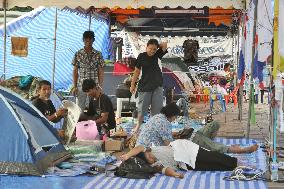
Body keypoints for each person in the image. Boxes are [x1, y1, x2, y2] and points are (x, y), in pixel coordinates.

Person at [136, 102, 258, 154]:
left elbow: (163, 135)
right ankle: (237, 150)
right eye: (175, 117)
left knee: (214, 124)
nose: (175, 119)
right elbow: (169, 145)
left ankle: (209, 143)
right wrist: (183, 140)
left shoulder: (160, 118)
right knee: (199, 138)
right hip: (157, 149)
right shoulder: (163, 122)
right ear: (172, 115)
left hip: (155, 145)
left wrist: (178, 134)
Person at [121, 139, 239, 178]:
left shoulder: (149, 149)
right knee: (213, 167)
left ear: (145, 153)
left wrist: (127, 155)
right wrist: (175, 175)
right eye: (149, 161)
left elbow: (138, 147)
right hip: (183, 164)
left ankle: (237, 162)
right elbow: (165, 170)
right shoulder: (154, 165)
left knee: (213, 157)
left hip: (184, 149)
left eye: (148, 158)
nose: (151, 160)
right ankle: (234, 167)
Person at [130, 39, 168, 133]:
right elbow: (137, 71)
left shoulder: (158, 55)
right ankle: (138, 125)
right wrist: (132, 84)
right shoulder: (141, 56)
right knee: (142, 109)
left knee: (156, 110)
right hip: (144, 86)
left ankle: (154, 127)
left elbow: (165, 44)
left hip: (157, 87)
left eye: (154, 49)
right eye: (150, 48)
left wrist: (157, 46)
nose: (152, 51)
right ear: (146, 47)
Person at [72, 31, 105, 111]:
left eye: (90, 41)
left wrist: (100, 87)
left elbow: (101, 71)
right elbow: (75, 71)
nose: (88, 43)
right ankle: (79, 123)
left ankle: (93, 123)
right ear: (83, 40)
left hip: (94, 86)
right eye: (86, 41)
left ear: (93, 40)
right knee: (79, 108)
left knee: (94, 108)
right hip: (81, 85)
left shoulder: (98, 54)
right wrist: (75, 86)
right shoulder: (78, 54)